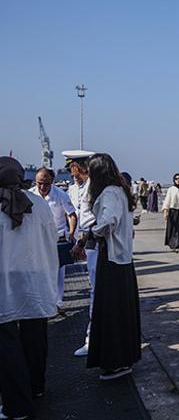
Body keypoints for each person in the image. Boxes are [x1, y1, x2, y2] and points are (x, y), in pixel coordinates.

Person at [0, 157, 58, 419]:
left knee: (6, 340)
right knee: (36, 335)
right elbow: (52, 238)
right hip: (36, 276)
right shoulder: (39, 203)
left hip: (5, 280)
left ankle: (17, 405)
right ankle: (36, 387)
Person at [84, 153, 141, 380]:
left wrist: (93, 231)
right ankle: (121, 358)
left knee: (111, 311)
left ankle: (115, 361)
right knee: (120, 311)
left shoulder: (109, 192)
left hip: (112, 257)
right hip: (122, 257)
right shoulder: (120, 190)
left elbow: (109, 220)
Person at [63, 149, 99, 357]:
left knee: (95, 291)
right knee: (93, 288)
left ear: (80, 167)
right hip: (83, 241)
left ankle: (91, 338)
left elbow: (92, 220)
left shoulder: (93, 187)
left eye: (72, 168)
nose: (71, 173)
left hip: (91, 241)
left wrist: (82, 242)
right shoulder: (73, 189)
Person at [29, 167, 78, 313]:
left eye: (46, 184)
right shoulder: (30, 194)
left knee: (58, 272)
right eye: (39, 183)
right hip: (37, 238)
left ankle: (58, 303)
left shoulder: (60, 195)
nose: (43, 187)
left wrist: (71, 232)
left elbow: (72, 215)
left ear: (52, 182)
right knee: (38, 271)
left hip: (57, 237)